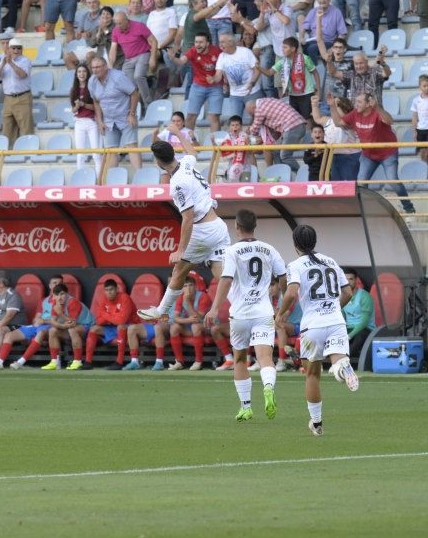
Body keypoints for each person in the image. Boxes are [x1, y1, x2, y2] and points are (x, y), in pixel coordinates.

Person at [275, 224, 360, 437]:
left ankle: (317, 423)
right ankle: (342, 368)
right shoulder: (331, 261)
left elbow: (292, 293)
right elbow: (348, 293)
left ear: (295, 245)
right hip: (336, 322)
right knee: (339, 358)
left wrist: (281, 313)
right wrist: (333, 308)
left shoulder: (295, 265)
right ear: (315, 241)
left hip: (312, 327)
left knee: (312, 374)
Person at [137, 137, 231, 324]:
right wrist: (178, 132)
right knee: (224, 277)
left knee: (179, 270)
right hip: (219, 227)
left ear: (158, 162)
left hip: (203, 231)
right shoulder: (186, 163)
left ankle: (161, 310)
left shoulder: (177, 184)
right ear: (173, 153)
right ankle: (246, 307)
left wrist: (180, 250)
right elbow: (193, 152)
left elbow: (188, 218)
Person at [205, 209, 287, 421]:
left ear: (237, 227)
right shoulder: (269, 249)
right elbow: (283, 276)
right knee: (265, 357)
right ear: (255, 225)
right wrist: (282, 302)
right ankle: (268, 388)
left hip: (240, 314)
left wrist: (214, 308)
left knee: (240, 359)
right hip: (263, 312)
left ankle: (246, 406)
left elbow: (225, 279)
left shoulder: (232, 251)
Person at [332, 91, 416, 214]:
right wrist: (332, 106)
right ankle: (363, 211)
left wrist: (378, 108)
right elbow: (338, 123)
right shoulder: (355, 113)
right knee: (361, 183)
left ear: (368, 104)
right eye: (356, 102)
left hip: (388, 153)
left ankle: (409, 208)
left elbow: (389, 121)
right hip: (368, 155)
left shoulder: (377, 112)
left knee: (393, 181)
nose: (356, 105)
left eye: (359, 102)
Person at [82, 279, 137, 370]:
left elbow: (122, 320)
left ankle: (119, 362)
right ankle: (88, 362)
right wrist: (113, 317)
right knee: (94, 329)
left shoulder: (125, 298)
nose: (109, 292)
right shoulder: (103, 299)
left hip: (130, 328)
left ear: (116, 289)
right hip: (112, 327)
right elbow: (98, 321)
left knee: (121, 326)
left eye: (111, 289)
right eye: (106, 290)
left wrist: (106, 315)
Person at [342, 268, 375, 361]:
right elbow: (341, 317)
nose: (348, 282)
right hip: (349, 328)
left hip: (365, 329)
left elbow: (364, 322)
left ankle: (344, 360)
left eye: (351, 279)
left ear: (356, 280)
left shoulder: (365, 297)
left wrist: (349, 336)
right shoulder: (341, 296)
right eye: (345, 280)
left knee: (360, 335)